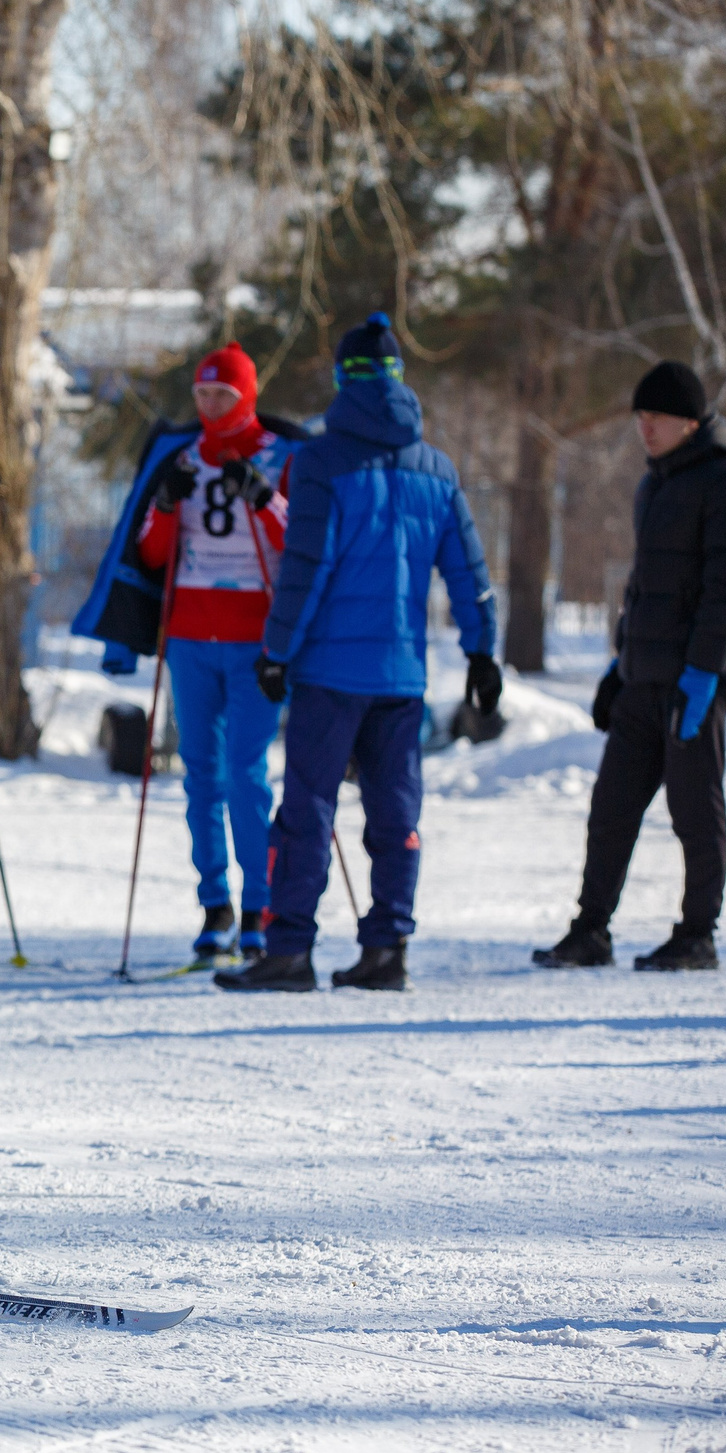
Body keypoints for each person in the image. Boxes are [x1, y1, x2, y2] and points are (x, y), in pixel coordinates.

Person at [216, 313, 499, 994]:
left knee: (307, 809)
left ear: (344, 380)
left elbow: (305, 567)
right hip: (401, 677)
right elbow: (469, 572)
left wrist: (276, 651)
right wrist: (482, 652)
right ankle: (387, 949)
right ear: (400, 379)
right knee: (395, 813)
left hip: (329, 676)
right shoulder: (438, 470)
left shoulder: (317, 462)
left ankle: (288, 951)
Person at [69, 342, 308, 963]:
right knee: (200, 773)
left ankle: (259, 904)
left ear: (245, 395)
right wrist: (168, 504)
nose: (209, 405)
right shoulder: (180, 458)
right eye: (202, 394)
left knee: (246, 774)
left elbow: (301, 541)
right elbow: (149, 551)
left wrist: (264, 498)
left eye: (221, 395)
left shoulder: (281, 455)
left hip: (256, 638)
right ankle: (214, 905)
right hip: (190, 634)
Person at [534, 363, 726, 972]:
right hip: (644, 677)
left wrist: (704, 674)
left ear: (689, 421)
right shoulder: (655, 484)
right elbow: (644, 588)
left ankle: (697, 936)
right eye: (639, 418)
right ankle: (590, 931)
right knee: (611, 809)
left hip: (693, 682)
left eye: (655, 418)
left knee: (695, 810)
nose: (645, 429)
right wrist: (620, 661)